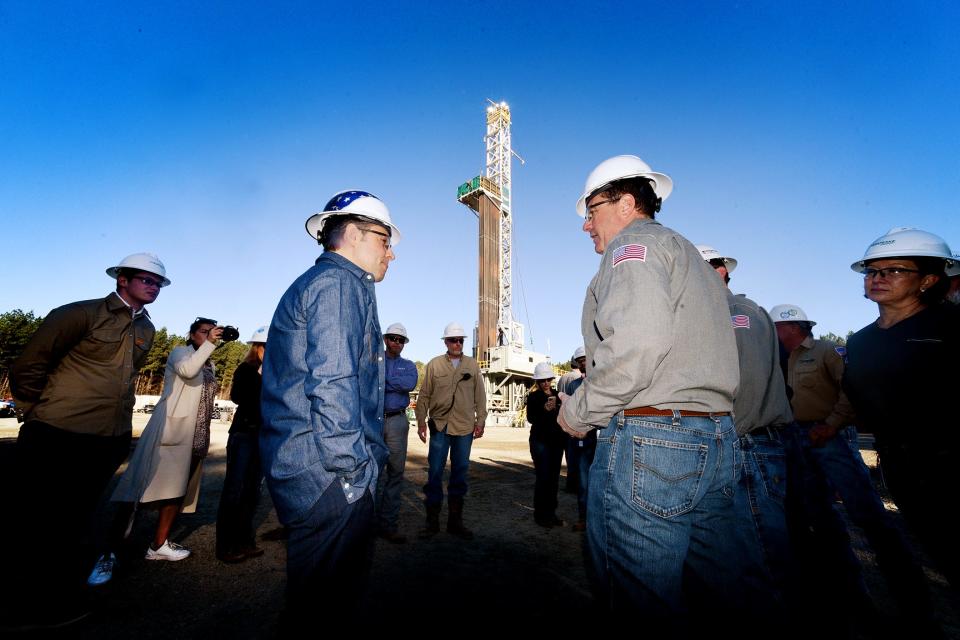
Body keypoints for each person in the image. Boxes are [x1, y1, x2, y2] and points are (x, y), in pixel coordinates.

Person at [557, 155, 747, 624]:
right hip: (716, 437)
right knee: (716, 588)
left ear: (625, 203)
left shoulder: (633, 247)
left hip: (654, 439)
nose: (586, 225)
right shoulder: (688, 257)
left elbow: (636, 347)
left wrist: (579, 411)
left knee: (641, 598)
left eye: (591, 210)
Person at [5, 252, 167, 629]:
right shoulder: (79, 313)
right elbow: (30, 364)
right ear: (122, 280)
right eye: (145, 279)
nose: (153, 285)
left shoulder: (147, 330)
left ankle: (53, 596)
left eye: (157, 282)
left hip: (106, 439)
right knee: (34, 518)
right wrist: (36, 412)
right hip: (57, 433)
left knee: (73, 520)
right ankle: (17, 604)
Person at [260, 190, 399, 624]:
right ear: (353, 235)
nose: (391, 254)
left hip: (322, 470)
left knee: (323, 600)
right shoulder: (337, 284)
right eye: (384, 239)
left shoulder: (338, 285)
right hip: (330, 476)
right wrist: (353, 470)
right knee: (322, 607)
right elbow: (333, 382)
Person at [773, 300, 933, 629]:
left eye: (775, 329)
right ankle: (852, 596)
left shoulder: (827, 351)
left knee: (869, 516)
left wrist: (831, 425)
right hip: (796, 440)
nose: (772, 335)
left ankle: (916, 607)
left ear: (792, 328)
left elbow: (851, 389)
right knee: (820, 518)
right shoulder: (778, 358)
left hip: (829, 438)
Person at [843, 227, 958, 614]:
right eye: (872, 271)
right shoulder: (860, 342)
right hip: (905, 471)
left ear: (928, 279)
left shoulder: (952, 326)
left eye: (893, 271)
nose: (878, 278)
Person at [697, 245, 794, 610]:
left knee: (760, 556)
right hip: (737, 446)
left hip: (745, 446)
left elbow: (749, 386)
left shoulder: (738, 312)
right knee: (737, 556)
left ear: (720, 270)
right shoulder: (711, 315)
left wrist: (726, 439)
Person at [96, 317, 223, 581]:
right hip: (170, 432)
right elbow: (187, 371)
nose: (209, 336)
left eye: (213, 332)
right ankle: (108, 554)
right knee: (139, 491)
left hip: (195, 435)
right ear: (192, 333)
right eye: (204, 332)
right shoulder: (182, 352)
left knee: (175, 493)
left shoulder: (209, 361)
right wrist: (209, 345)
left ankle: (158, 545)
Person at [415, 322, 487, 540]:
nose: (457, 344)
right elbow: (425, 395)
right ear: (445, 342)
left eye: (460, 340)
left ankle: (455, 522)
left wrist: (481, 420)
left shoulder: (472, 365)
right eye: (453, 340)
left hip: (464, 427)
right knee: (435, 473)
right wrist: (420, 422)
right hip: (439, 426)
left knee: (459, 475)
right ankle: (432, 523)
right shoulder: (434, 365)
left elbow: (480, 396)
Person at [216, 325, 269, 563]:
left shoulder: (277, 374)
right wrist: (262, 379)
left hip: (264, 437)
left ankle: (245, 540)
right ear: (256, 347)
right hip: (244, 434)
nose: (270, 351)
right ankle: (226, 546)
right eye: (266, 346)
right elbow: (239, 397)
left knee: (251, 491)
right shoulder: (246, 370)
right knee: (234, 490)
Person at [377, 321, 418, 544]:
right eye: (393, 338)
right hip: (373, 422)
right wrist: (395, 383)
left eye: (401, 340)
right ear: (385, 339)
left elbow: (410, 384)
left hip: (396, 421)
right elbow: (368, 381)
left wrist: (384, 380)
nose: (397, 342)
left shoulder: (409, 366)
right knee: (370, 474)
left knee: (394, 474)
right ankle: (365, 525)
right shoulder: (374, 359)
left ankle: (387, 525)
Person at [526, 362, 566, 527]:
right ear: (537, 381)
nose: (545, 383)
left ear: (551, 379)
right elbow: (531, 419)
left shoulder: (559, 396)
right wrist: (544, 409)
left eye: (547, 379)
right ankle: (540, 515)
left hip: (556, 442)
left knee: (554, 479)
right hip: (540, 442)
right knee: (543, 478)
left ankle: (551, 513)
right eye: (541, 380)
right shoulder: (534, 397)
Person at [557, 346, 586, 494]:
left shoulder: (563, 378)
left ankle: (571, 483)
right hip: (579, 428)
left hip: (570, 427)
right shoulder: (575, 380)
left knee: (571, 457)